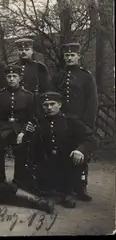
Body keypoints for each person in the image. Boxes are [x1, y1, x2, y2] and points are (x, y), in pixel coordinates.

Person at [32, 92, 97, 208]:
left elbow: (91, 139)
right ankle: (53, 187)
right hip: (48, 163)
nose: (49, 108)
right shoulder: (39, 122)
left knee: (72, 164)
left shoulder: (71, 121)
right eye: (45, 105)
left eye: (52, 104)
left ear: (60, 105)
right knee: (43, 190)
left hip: (68, 162)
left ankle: (71, 190)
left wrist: (80, 150)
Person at [51, 42, 98, 200]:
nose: (69, 58)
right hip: (62, 121)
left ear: (78, 56)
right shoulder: (58, 76)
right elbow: (52, 97)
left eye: (72, 55)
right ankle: (65, 187)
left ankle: (81, 187)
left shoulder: (86, 76)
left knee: (81, 154)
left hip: (79, 121)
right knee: (63, 152)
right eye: (67, 56)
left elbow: (92, 101)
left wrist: (87, 123)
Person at [0, 65, 37, 186]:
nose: (11, 79)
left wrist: (23, 132)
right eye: (9, 76)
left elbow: (32, 117)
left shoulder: (29, 96)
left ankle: (19, 180)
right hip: (3, 128)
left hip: (20, 129)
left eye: (14, 76)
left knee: (22, 147)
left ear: (20, 78)